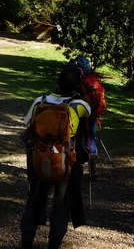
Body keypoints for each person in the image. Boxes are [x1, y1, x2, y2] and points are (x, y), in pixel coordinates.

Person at [20, 64, 91, 249]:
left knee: (34, 199)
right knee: (61, 203)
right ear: (77, 86)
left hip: (38, 160)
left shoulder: (39, 101)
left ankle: (26, 244)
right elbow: (92, 110)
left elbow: (27, 126)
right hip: (64, 163)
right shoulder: (79, 106)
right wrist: (81, 88)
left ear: (58, 82)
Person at [74, 56, 107, 179]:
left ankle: (76, 166)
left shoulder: (81, 80)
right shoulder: (95, 80)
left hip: (82, 115)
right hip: (94, 116)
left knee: (76, 139)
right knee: (91, 141)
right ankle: (93, 172)